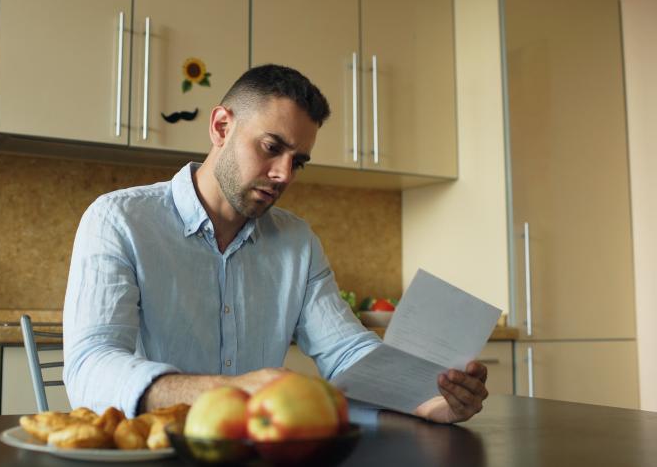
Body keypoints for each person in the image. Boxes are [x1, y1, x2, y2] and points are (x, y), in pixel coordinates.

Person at [62, 64, 488, 424]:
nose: (285, 174)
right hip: (154, 453)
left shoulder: (297, 242)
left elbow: (345, 351)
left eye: (297, 161)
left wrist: (424, 398)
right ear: (221, 127)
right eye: (271, 147)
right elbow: (90, 368)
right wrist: (225, 390)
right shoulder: (119, 219)